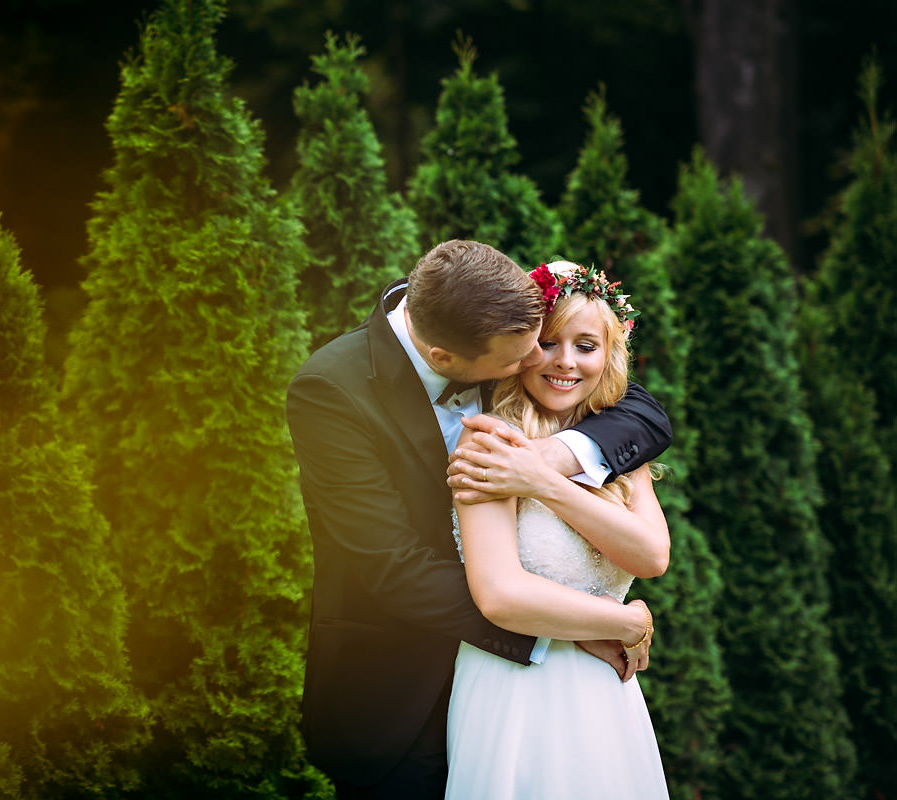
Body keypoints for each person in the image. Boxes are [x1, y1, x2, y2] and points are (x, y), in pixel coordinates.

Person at [286, 240, 672, 799]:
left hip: (543, 697)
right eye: (525, 357)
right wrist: (577, 628)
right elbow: (392, 568)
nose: (543, 362)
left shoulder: (499, 320)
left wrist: (546, 464)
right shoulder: (331, 392)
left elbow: (638, 410)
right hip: (401, 689)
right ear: (444, 357)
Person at [443, 259, 670, 798]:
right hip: (516, 686)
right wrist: (624, 623)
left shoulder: (616, 445)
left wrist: (542, 481)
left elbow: (651, 557)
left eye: (586, 346)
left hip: (607, 695)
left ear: (608, 355)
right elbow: (501, 597)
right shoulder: (487, 442)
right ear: (521, 348)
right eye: (548, 342)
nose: (565, 362)